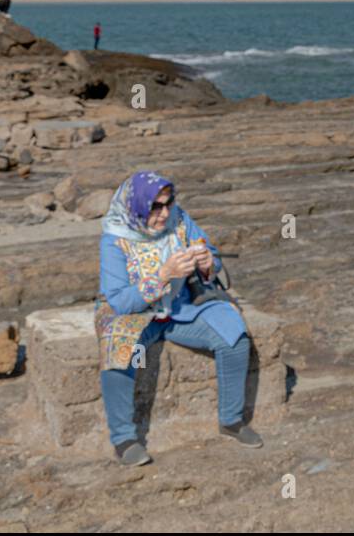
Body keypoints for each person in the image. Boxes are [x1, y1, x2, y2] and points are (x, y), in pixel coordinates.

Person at [96, 171, 262, 466]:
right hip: (136, 313)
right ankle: (124, 438)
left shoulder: (180, 220)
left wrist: (209, 262)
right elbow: (120, 300)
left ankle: (231, 420)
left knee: (234, 336)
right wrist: (163, 275)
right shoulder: (115, 240)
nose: (164, 214)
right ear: (136, 208)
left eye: (168, 203)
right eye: (155, 207)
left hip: (183, 308)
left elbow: (210, 253)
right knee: (121, 350)